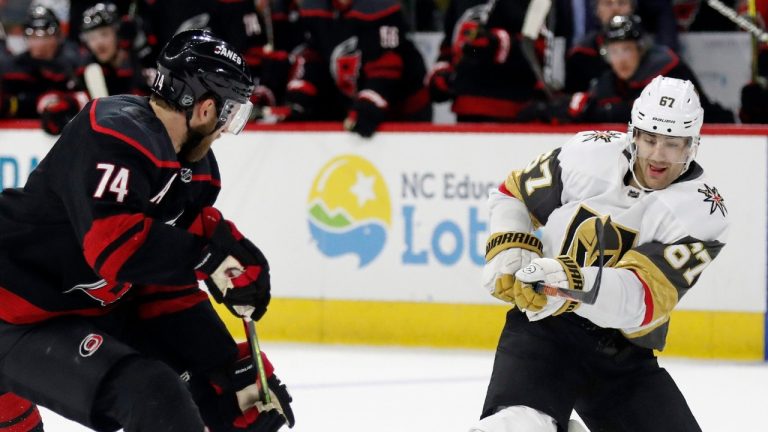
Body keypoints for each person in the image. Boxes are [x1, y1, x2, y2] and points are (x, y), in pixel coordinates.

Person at [0, 29, 294, 432]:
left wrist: (222, 364)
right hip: (13, 314)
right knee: (152, 392)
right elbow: (115, 247)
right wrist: (206, 256)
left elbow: (166, 289)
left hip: (80, 306)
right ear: (206, 109)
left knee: (212, 388)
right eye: (232, 114)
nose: (227, 129)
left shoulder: (194, 172)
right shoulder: (108, 133)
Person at [473, 76, 728, 432]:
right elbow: (512, 193)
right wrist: (510, 249)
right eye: (650, 139)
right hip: (545, 329)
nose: (657, 154)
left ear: (692, 146)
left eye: (672, 144)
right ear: (633, 134)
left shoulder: (701, 213)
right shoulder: (588, 154)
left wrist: (570, 282)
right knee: (516, 427)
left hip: (622, 354)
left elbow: (642, 299)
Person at [282, 0, 432, 137]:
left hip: (404, 109)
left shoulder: (383, 6)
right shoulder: (316, 8)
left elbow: (388, 63)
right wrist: (301, 93)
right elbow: (314, 57)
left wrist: (369, 103)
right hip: (355, 103)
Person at [563, 15, 734, 124]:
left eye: (627, 49)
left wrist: (605, 112)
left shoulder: (669, 71)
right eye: (614, 51)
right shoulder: (606, 82)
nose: (621, 59)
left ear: (640, 49)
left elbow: (669, 115)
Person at [0, 6, 89, 135]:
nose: (40, 44)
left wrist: (69, 102)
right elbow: (9, 105)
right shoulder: (13, 69)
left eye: (46, 36)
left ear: (58, 37)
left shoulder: (76, 64)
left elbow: (93, 100)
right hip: (21, 141)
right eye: (34, 37)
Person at [77, 2, 149, 97]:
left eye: (104, 34)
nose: (99, 43)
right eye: (92, 38)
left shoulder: (141, 63)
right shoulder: (87, 70)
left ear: (117, 34)